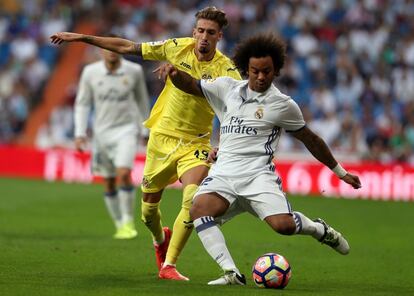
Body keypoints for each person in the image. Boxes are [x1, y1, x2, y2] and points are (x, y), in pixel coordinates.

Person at [50, 7, 241, 281]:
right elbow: (128, 46)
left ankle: (170, 265)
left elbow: (233, 111)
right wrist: (81, 37)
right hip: (162, 138)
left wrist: (222, 143)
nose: (204, 37)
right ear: (193, 32)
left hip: (195, 143)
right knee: (148, 211)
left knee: (192, 199)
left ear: (219, 36)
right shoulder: (176, 47)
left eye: (211, 33)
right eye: (200, 31)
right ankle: (158, 239)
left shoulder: (227, 70)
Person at [159, 33, 362, 285]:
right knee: (198, 208)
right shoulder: (227, 88)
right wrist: (175, 74)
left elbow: (311, 139)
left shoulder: (282, 105)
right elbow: (193, 85)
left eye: (267, 71)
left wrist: (341, 172)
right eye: (255, 71)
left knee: (284, 227)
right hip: (223, 174)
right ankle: (231, 273)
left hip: (258, 177)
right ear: (246, 69)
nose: (261, 76)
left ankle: (319, 229)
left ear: (276, 70)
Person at [74, 43, 150, 240]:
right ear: (101, 50)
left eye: (115, 47)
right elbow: (82, 103)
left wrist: (145, 128)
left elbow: (142, 100)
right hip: (101, 134)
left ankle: (127, 221)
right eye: (107, 47)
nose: (111, 50)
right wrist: (80, 132)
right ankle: (118, 224)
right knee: (108, 181)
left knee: (124, 173)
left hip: (126, 130)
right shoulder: (91, 72)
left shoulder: (133, 71)